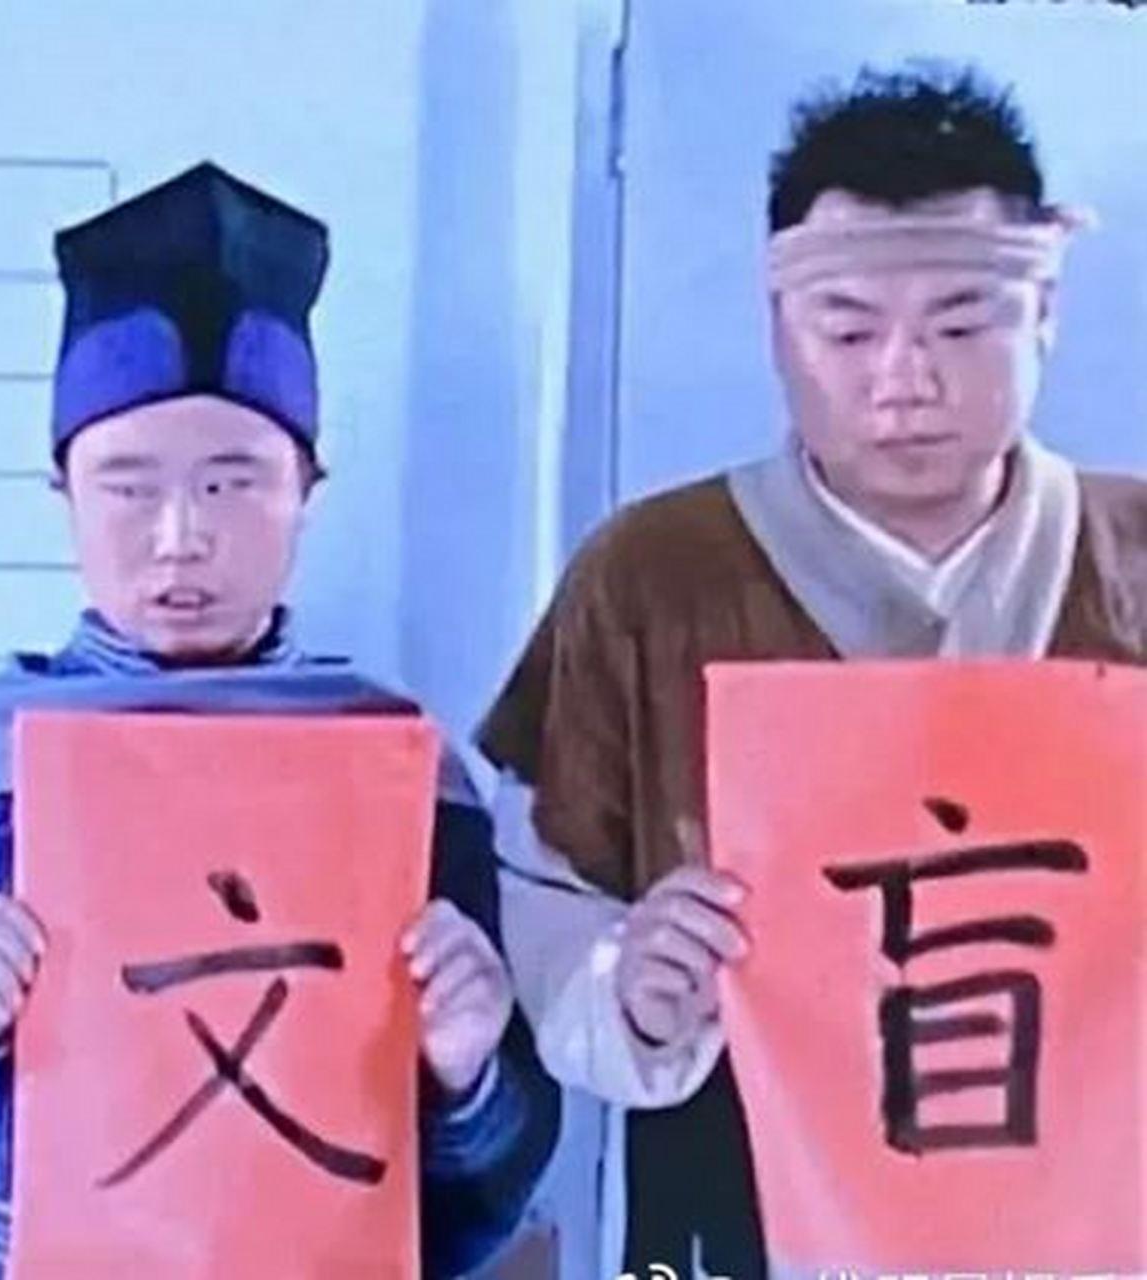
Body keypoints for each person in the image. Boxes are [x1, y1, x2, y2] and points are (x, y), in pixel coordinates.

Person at [0, 161, 559, 1279]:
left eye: (232, 482)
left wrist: (466, 1070)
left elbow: (477, 1191)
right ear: (64, 494)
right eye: (128, 486)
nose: (180, 535)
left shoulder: (401, 778)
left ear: (306, 488)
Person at [478, 64, 1147, 1278]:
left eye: (959, 325)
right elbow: (539, 889)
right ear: (777, 327)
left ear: (1042, 311)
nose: (903, 377)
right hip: (740, 1196)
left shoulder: (1133, 554)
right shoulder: (651, 574)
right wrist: (628, 984)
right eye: (847, 330)